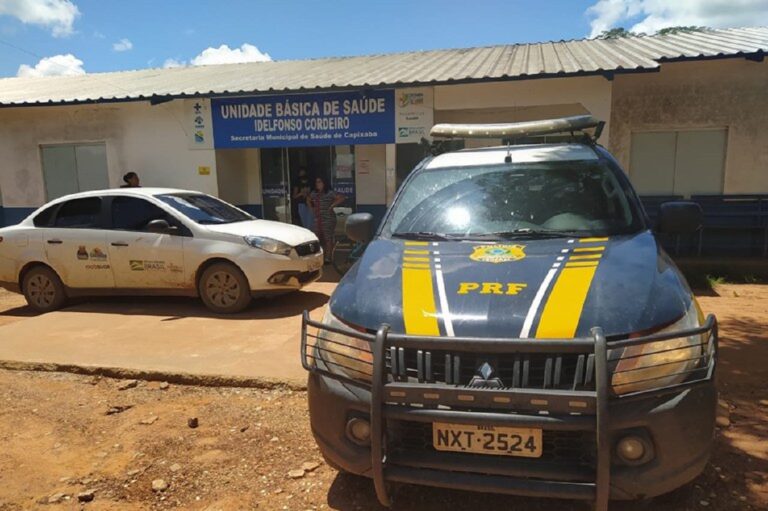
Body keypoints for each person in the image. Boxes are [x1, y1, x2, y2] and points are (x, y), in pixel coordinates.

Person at [309, 176, 345, 263]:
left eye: (320, 182)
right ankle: (318, 256)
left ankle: (328, 257)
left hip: (328, 218)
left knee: (328, 238)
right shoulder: (314, 193)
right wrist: (312, 209)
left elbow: (341, 198)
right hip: (318, 219)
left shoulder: (329, 193)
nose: (318, 184)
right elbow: (308, 199)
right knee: (316, 238)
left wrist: (332, 206)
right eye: (316, 182)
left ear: (324, 183)